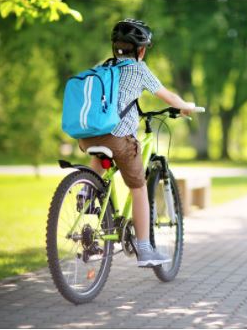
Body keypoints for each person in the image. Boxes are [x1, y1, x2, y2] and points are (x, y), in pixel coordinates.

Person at [77, 19, 198, 266]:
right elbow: (168, 96)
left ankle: (85, 189)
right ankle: (144, 248)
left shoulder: (103, 67)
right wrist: (186, 107)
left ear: (115, 48)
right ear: (141, 50)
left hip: (88, 136)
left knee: (102, 153)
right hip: (119, 139)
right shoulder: (139, 69)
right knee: (139, 187)